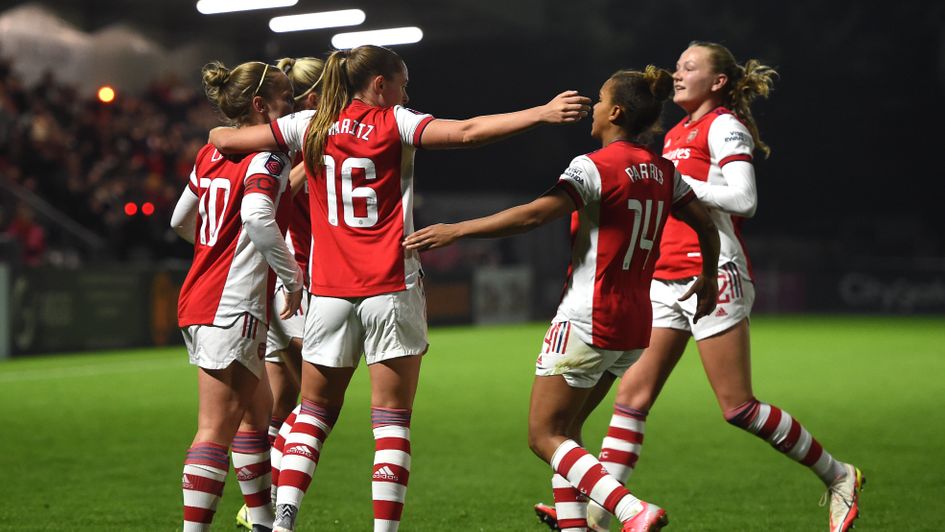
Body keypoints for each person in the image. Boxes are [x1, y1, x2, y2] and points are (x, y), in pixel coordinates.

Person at [209, 44, 591, 532]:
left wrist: (216, 131)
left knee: (312, 414)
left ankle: (281, 524)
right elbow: (469, 133)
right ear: (380, 85)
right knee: (390, 421)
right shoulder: (397, 121)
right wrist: (541, 113)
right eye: (403, 83)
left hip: (327, 294)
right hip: (390, 285)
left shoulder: (310, 126)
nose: (406, 92)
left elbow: (229, 141)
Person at [543, 42, 864, 532]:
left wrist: (675, 187)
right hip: (665, 277)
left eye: (689, 67)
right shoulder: (675, 131)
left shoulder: (724, 126)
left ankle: (839, 475)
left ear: (717, 82)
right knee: (632, 398)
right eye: (677, 65)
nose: (677, 72)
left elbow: (744, 198)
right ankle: (599, 516)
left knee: (739, 407)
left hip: (713, 274)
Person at [404, 66, 720, 532]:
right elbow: (707, 224)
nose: (591, 107)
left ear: (615, 112)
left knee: (543, 434)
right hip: (634, 324)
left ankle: (632, 510)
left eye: (598, 99)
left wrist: (458, 229)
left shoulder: (593, 165)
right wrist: (709, 276)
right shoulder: (662, 171)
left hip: (588, 318)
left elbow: (534, 216)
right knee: (568, 434)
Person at [171, 59, 302, 532]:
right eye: (286, 99)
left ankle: (263, 522)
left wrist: (214, 248)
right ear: (260, 105)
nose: (292, 107)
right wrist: (292, 278)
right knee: (215, 429)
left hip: (200, 298)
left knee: (255, 416)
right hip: (233, 303)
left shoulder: (209, 157)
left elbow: (179, 222)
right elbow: (259, 218)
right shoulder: (266, 158)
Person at [236, 55, 326, 532]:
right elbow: (273, 201)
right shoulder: (304, 141)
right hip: (296, 281)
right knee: (319, 400)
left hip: (276, 280)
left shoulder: (292, 139)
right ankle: (270, 509)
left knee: (284, 396)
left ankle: (257, 506)